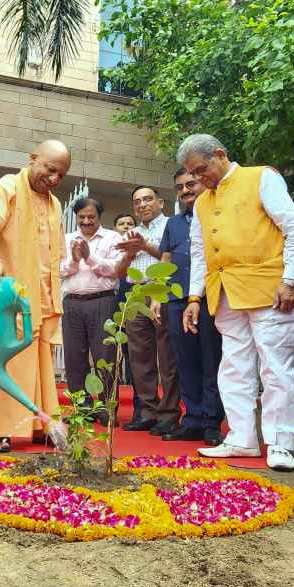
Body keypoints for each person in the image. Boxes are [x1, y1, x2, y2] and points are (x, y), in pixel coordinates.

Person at [178, 134, 294, 471]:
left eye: (201, 170)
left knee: (276, 367)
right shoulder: (203, 202)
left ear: (221, 154)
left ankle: (281, 442)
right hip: (224, 293)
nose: (198, 180)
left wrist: (291, 280)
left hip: (271, 291)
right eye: (192, 175)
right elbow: (198, 252)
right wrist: (194, 297)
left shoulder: (261, 177)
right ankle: (241, 438)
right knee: (233, 367)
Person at [0, 140, 70, 453]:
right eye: (49, 169)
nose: (54, 178)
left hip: (40, 294)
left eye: (61, 174)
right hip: (6, 294)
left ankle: (40, 423)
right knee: (5, 358)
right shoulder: (3, 188)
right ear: (32, 159)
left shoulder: (54, 204)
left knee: (40, 362)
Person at [152, 168, 224, 446]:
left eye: (190, 184)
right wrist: (158, 294)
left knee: (211, 361)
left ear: (203, 184)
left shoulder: (216, 216)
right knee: (184, 362)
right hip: (176, 300)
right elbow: (165, 258)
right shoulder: (174, 224)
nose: (185, 191)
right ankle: (191, 419)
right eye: (179, 187)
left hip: (210, 298)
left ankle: (211, 422)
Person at [60, 197, 130, 425]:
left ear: (100, 217)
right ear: (76, 218)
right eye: (82, 217)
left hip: (102, 302)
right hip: (72, 303)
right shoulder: (67, 239)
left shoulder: (113, 238)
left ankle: (106, 409)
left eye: (91, 217)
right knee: (74, 359)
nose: (86, 221)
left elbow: (114, 270)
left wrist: (89, 257)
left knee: (105, 357)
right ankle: (82, 408)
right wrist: (74, 259)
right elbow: (58, 270)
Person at [117, 186, 181, 436]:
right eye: (137, 202)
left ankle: (169, 414)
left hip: (161, 291)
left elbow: (172, 258)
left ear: (161, 202)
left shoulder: (171, 225)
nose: (142, 204)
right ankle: (147, 411)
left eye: (147, 199)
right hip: (135, 293)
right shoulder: (131, 232)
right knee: (139, 357)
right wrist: (130, 253)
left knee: (167, 357)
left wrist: (144, 247)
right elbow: (120, 272)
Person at [113, 213, 140, 420]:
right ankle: (109, 407)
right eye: (121, 223)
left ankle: (140, 408)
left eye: (129, 223)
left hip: (134, 306)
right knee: (112, 356)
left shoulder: (139, 251)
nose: (125, 226)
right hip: (112, 309)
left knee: (135, 358)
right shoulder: (109, 249)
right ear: (115, 228)